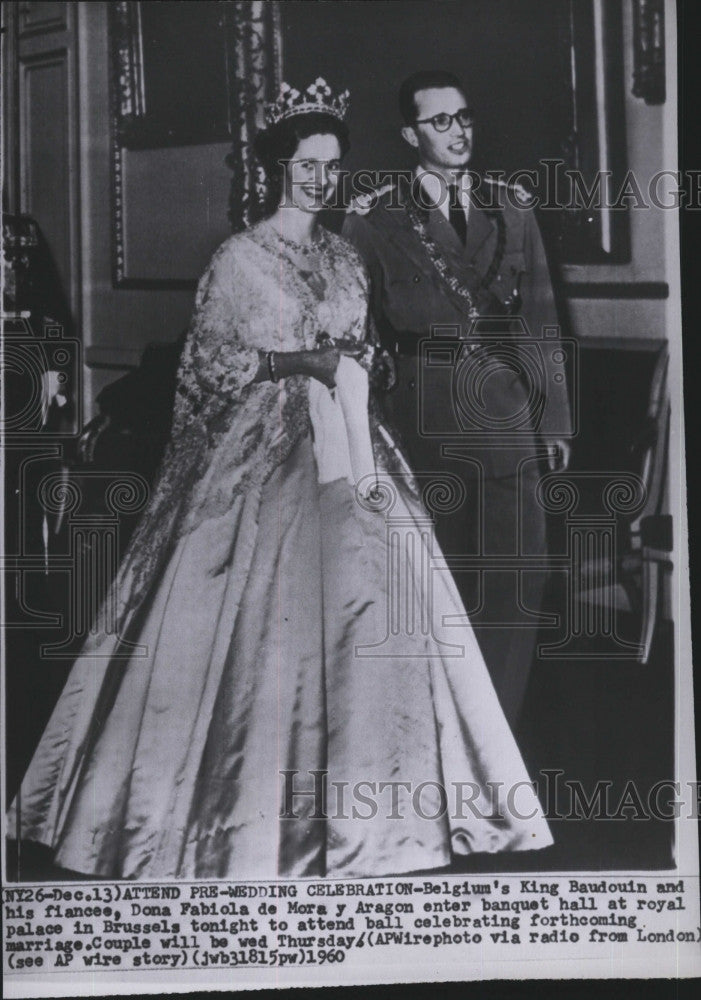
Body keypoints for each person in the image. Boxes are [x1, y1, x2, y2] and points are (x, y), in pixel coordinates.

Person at [8, 79, 551, 880]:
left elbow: (372, 343)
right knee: (268, 633)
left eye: (332, 166)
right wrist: (302, 362)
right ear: (276, 170)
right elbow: (209, 366)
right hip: (262, 459)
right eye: (306, 166)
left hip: (352, 452)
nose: (321, 181)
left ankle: (386, 817)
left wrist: (373, 363)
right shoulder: (238, 258)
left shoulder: (342, 254)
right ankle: (237, 820)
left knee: (383, 608)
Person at [343, 70, 572, 728]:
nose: (457, 131)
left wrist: (552, 418)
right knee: (431, 577)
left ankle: (494, 725)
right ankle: (429, 724)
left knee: (518, 572)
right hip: (423, 411)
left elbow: (540, 318)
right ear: (410, 134)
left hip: (503, 408)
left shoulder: (512, 206)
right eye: (439, 121)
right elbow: (359, 331)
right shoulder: (375, 216)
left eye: (463, 117)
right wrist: (365, 432)